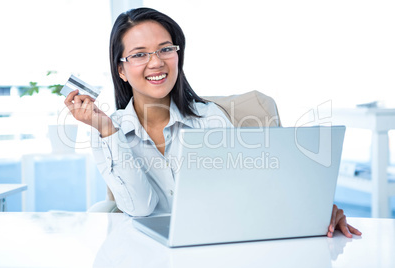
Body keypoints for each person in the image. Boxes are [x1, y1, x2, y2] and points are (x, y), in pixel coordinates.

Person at [64, 7, 361, 238]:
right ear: (122, 71)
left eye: (166, 49)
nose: (156, 62)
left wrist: (313, 212)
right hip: (146, 254)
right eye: (139, 54)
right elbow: (141, 208)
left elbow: (247, 196)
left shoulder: (210, 118)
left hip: (218, 245)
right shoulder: (106, 130)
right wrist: (108, 131)